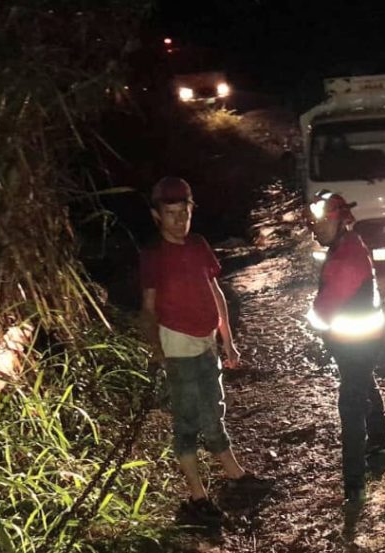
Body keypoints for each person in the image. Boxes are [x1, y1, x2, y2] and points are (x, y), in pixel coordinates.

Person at [139, 176, 252, 524]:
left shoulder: (198, 244)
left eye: (183, 211)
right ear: (157, 215)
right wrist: (156, 349)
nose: (178, 219)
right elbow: (148, 307)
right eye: (170, 213)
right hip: (177, 343)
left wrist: (227, 339)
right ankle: (198, 497)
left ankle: (235, 477)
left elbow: (215, 292)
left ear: (191, 211)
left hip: (205, 341)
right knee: (189, 419)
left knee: (214, 406)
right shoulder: (153, 256)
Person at [305, 190, 385, 506]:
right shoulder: (351, 243)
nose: (314, 229)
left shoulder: (343, 258)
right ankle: (381, 440)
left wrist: (312, 321)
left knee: (350, 403)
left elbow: (323, 311)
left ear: (339, 220)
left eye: (319, 222)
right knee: (364, 381)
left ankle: (354, 482)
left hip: (357, 342)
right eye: (311, 223)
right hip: (366, 338)